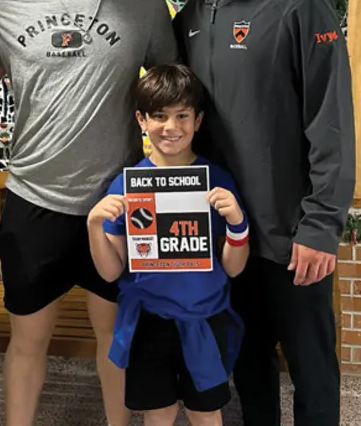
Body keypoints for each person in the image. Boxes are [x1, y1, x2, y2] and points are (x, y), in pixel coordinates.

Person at [0, 0, 179, 426]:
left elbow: (173, 96)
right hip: (32, 201)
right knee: (28, 341)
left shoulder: (142, 1)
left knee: (115, 340)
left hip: (116, 202)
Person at [165, 0, 357, 426]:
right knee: (247, 368)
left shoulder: (301, 2)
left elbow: (332, 121)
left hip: (295, 236)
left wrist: (322, 224)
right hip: (229, 240)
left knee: (312, 370)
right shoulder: (191, 17)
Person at [87, 64, 250, 426]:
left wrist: (238, 222)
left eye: (182, 116)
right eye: (159, 116)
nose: (171, 127)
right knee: (157, 412)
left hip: (205, 317)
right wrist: (95, 225)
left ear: (199, 119)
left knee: (205, 411)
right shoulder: (127, 185)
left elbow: (235, 267)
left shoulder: (216, 181)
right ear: (141, 120)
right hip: (149, 320)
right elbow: (112, 270)